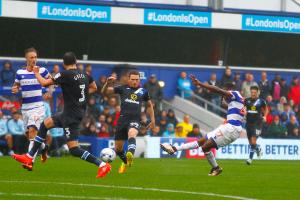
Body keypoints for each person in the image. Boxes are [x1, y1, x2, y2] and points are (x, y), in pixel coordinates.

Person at [12, 52, 111, 178]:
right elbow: (94, 87)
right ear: (75, 62)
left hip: (70, 115)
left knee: (74, 149)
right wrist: (80, 97)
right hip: (74, 113)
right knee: (45, 123)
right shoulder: (85, 74)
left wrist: (36, 73)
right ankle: (29, 157)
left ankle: (102, 165)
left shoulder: (64, 74)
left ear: (64, 64)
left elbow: (44, 83)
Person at [161, 75, 245, 176]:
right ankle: (174, 149)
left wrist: (200, 84)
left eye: (225, 91)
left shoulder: (235, 94)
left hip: (232, 128)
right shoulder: (236, 101)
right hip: (228, 127)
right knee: (201, 141)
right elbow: (223, 105)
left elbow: (217, 90)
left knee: (205, 147)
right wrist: (223, 95)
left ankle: (216, 168)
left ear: (228, 90)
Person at [101, 70, 155, 174]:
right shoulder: (122, 88)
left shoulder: (143, 91)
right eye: (133, 79)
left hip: (135, 119)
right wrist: (107, 83)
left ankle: (130, 154)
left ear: (139, 80)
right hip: (122, 120)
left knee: (132, 133)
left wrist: (153, 120)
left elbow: (150, 105)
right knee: (118, 148)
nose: (135, 81)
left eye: (137, 80)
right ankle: (126, 162)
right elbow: (104, 92)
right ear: (128, 79)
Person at [11, 48, 50, 170]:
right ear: (26, 58)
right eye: (31, 57)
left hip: (38, 107)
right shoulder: (20, 73)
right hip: (25, 109)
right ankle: (44, 148)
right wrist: (15, 89)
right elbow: (16, 86)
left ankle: (29, 162)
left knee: (32, 131)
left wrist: (49, 89)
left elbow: (52, 80)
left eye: (35, 57)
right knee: (29, 135)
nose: (34, 59)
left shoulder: (42, 71)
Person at [244, 86, 268, 165]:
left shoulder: (261, 101)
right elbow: (243, 109)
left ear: (257, 93)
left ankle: (250, 159)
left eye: (254, 92)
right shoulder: (246, 100)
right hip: (248, 123)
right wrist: (244, 112)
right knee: (251, 143)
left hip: (257, 123)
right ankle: (258, 148)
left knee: (253, 141)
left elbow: (266, 109)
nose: (253, 94)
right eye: (252, 92)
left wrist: (265, 116)